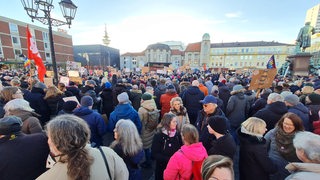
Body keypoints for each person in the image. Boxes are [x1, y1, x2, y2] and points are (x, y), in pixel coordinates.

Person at [37, 114, 129, 180]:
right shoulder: (107, 154)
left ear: (56, 143)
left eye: (49, 137)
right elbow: (123, 175)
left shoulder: (47, 177)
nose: (48, 141)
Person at [265, 112, 304, 180]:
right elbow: (263, 147)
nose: (287, 126)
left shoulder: (301, 137)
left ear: (296, 125)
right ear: (281, 122)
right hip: (272, 170)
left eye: (290, 125)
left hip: (290, 172)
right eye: (285, 123)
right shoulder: (273, 133)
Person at [151, 113, 183, 180]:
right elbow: (155, 154)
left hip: (175, 167)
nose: (176, 123)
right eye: (174, 122)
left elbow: (181, 147)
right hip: (162, 168)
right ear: (167, 122)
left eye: (176, 121)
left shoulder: (177, 134)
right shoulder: (158, 136)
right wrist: (170, 159)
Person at [138, 93, 159, 168]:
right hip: (152, 129)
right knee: (151, 145)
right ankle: (152, 158)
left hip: (145, 131)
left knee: (146, 148)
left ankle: (148, 163)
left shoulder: (142, 109)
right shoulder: (154, 106)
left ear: (143, 100)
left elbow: (139, 121)